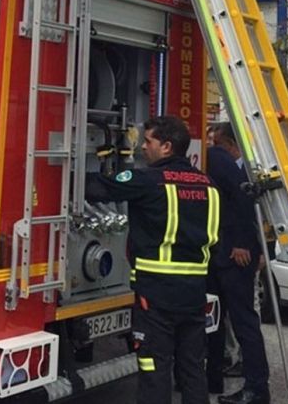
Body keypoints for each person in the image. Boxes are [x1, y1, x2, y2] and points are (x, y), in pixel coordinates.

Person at [86, 115, 220, 404]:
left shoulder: (149, 180)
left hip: (156, 295)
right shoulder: (208, 185)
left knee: (154, 367)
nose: (143, 148)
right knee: (193, 367)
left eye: (149, 142)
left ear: (167, 147)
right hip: (194, 292)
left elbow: (99, 189)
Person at [206, 123, 270, 404]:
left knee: (242, 322)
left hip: (233, 255)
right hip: (225, 253)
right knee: (216, 318)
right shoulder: (237, 165)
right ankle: (215, 377)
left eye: (216, 141)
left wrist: (243, 244)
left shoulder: (224, 162)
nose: (211, 145)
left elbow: (244, 201)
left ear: (229, 144)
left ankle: (256, 388)